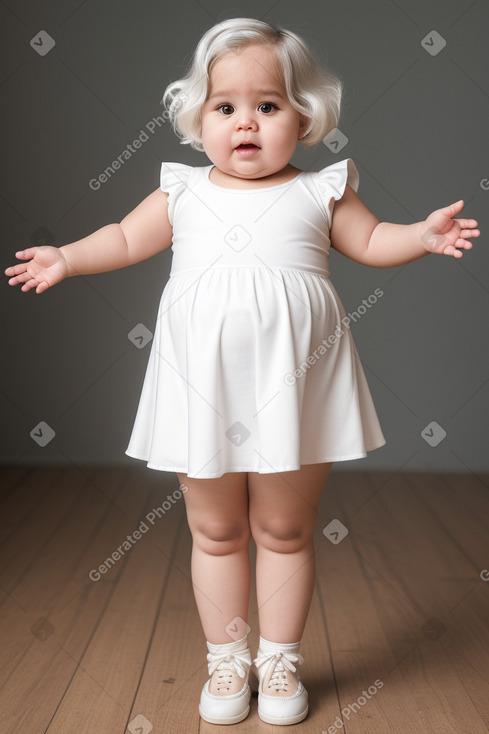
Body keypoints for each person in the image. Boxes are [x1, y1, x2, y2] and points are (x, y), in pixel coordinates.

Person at [5, 16, 479, 727]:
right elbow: (125, 236)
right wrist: (66, 256)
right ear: (199, 118)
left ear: (304, 115)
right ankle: (227, 660)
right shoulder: (183, 191)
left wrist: (420, 236)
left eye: (268, 104)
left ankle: (279, 658)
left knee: (285, 531)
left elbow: (374, 240)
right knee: (215, 531)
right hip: (204, 385)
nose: (245, 123)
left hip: (296, 385)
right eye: (225, 107)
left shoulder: (323, 190)